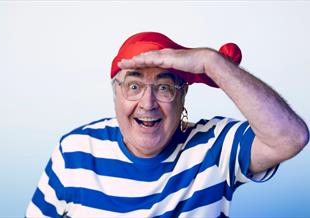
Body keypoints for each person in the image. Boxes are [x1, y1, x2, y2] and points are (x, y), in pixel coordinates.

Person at [26, 32, 309, 217]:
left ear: (182, 96)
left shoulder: (214, 148)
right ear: (116, 95)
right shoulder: (74, 152)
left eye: (163, 88)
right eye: (134, 86)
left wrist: (211, 61)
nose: (148, 103)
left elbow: (290, 137)